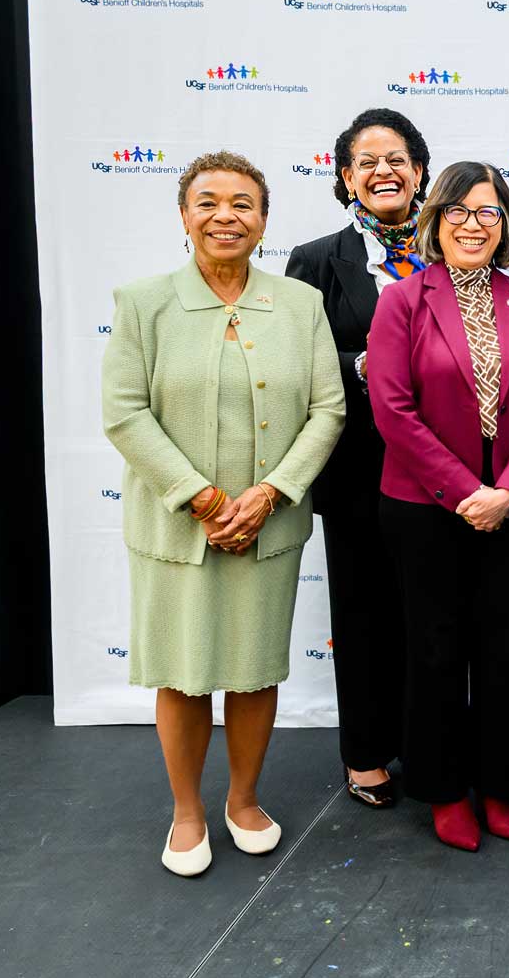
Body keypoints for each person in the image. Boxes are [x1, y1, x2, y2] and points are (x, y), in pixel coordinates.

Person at [101, 150, 345, 878]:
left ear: (264, 219)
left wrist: (268, 495)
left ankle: (243, 799)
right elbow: (123, 413)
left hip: (267, 528)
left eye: (242, 203)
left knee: (251, 668)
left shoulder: (299, 304)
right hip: (177, 528)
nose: (225, 215)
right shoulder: (145, 301)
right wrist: (205, 500)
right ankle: (185, 810)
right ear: (184, 217)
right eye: (207, 202)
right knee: (181, 673)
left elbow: (328, 409)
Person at [369, 161, 509, 851]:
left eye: (488, 212)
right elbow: (391, 408)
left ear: (505, 224)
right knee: (436, 649)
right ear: (435, 221)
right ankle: (444, 788)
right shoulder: (403, 301)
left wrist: (508, 490)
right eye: (459, 212)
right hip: (424, 506)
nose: (473, 225)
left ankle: (499, 784)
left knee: (506, 648)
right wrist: (464, 492)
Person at [286, 108, 432, 811]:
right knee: (366, 610)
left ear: (421, 171)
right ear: (346, 177)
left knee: (436, 615)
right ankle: (367, 753)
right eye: (367, 161)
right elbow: (297, 366)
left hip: (447, 473)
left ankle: (432, 746)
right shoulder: (316, 260)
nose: (384, 171)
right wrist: (368, 364)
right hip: (357, 472)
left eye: (397, 158)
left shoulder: (456, 246)